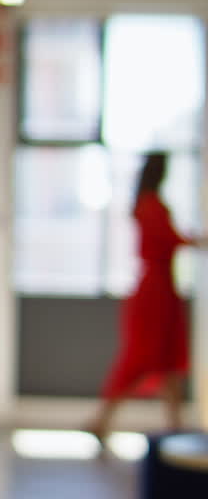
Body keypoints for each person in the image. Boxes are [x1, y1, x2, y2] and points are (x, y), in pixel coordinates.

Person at [87, 151, 197, 442]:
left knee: (168, 361)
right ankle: (101, 419)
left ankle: (174, 426)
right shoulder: (151, 206)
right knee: (140, 359)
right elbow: (170, 239)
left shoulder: (147, 204)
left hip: (163, 290)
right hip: (154, 294)